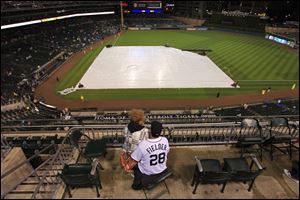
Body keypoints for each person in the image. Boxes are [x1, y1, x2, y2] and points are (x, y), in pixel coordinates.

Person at [124, 121, 170, 190]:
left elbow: (133, 159)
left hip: (147, 174)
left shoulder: (143, 144)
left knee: (133, 165)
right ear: (160, 132)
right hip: (162, 170)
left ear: (150, 131)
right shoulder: (165, 140)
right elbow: (167, 151)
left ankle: (138, 182)